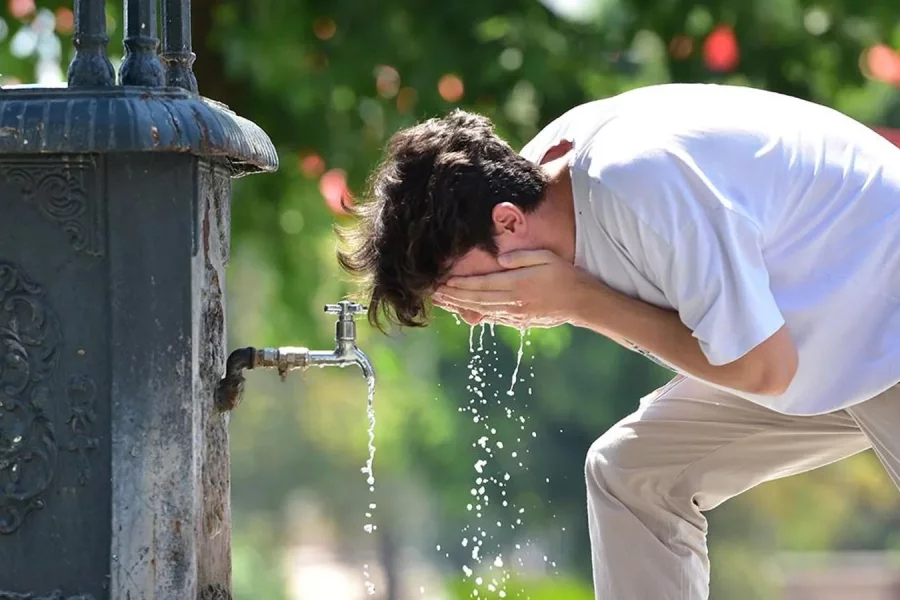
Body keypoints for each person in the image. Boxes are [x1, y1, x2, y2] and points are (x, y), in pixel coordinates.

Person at [336, 83, 900, 600]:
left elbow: (763, 369)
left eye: (462, 286)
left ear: (507, 223)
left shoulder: (638, 186)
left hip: (884, 305)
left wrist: (580, 300)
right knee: (632, 474)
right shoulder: (541, 189)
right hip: (812, 334)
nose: (474, 314)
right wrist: (573, 297)